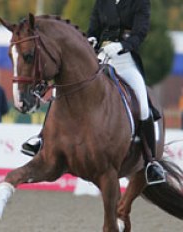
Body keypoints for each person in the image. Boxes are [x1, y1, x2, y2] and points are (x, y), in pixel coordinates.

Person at [22, 0, 166, 185]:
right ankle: (41, 139)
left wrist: (122, 46)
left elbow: (140, 33)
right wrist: (91, 39)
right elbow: (94, 28)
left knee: (144, 105)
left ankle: (150, 162)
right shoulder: (102, 2)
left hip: (125, 60)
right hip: (98, 57)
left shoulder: (140, 3)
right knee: (61, 91)